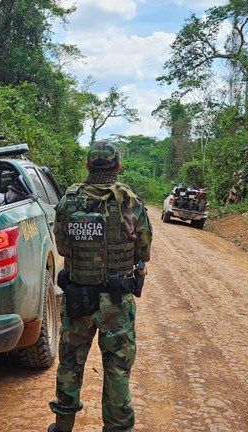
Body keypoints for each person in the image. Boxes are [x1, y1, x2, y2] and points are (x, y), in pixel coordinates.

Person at [48, 141, 153, 432]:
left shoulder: (69, 200)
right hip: (117, 303)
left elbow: (62, 246)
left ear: (87, 166)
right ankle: (118, 428)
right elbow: (143, 252)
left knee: (70, 362)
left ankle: (63, 424)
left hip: (78, 297)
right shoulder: (130, 202)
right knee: (117, 368)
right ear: (117, 167)